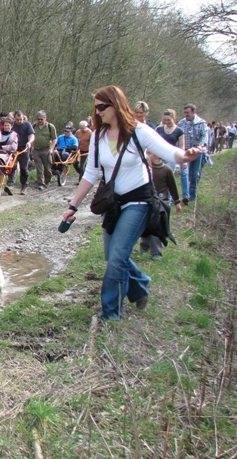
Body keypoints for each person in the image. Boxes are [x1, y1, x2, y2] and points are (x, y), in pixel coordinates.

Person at [62, 85, 202, 320]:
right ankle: (140, 284)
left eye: (101, 107)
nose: (97, 112)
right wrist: (72, 206)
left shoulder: (139, 131)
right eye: (95, 108)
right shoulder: (98, 136)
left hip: (139, 201)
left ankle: (110, 314)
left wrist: (186, 156)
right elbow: (91, 173)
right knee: (113, 255)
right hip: (113, 204)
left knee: (117, 258)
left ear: (116, 105)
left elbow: (169, 152)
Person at [139, 150, 183, 260]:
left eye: (151, 153)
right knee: (146, 226)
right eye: (148, 153)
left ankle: (157, 253)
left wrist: (177, 202)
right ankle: (144, 247)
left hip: (161, 202)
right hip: (147, 201)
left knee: (156, 226)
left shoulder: (167, 170)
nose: (148, 155)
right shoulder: (145, 169)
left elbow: (173, 187)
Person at [177, 103, 208, 205]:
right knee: (185, 173)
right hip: (185, 152)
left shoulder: (201, 123)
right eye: (185, 112)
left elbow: (204, 137)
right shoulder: (181, 123)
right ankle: (185, 196)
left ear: (194, 112)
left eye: (188, 112)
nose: (186, 114)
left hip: (197, 152)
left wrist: (200, 146)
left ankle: (192, 195)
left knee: (195, 175)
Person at [155, 109, 186, 202]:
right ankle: (157, 198)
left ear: (174, 118)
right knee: (157, 178)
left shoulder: (179, 131)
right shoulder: (159, 129)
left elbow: (181, 147)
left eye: (169, 120)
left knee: (167, 178)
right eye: (165, 120)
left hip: (170, 157)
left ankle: (167, 201)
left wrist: (183, 161)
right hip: (159, 156)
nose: (166, 122)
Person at [31, 110, 55, 191]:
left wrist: (52, 149)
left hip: (46, 149)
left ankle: (47, 181)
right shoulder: (34, 126)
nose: (40, 121)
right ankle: (40, 183)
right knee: (38, 167)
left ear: (45, 118)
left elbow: (54, 139)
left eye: (41, 119)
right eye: (38, 119)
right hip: (36, 149)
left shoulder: (50, 127)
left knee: (47, 167)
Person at [0, 117, 19, 182]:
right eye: (5, 125)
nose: (6, 127)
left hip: (7, 155)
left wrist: (1, 147)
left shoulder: (14, 135)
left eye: (8, 126)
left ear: (11, 126)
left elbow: (13, 147)